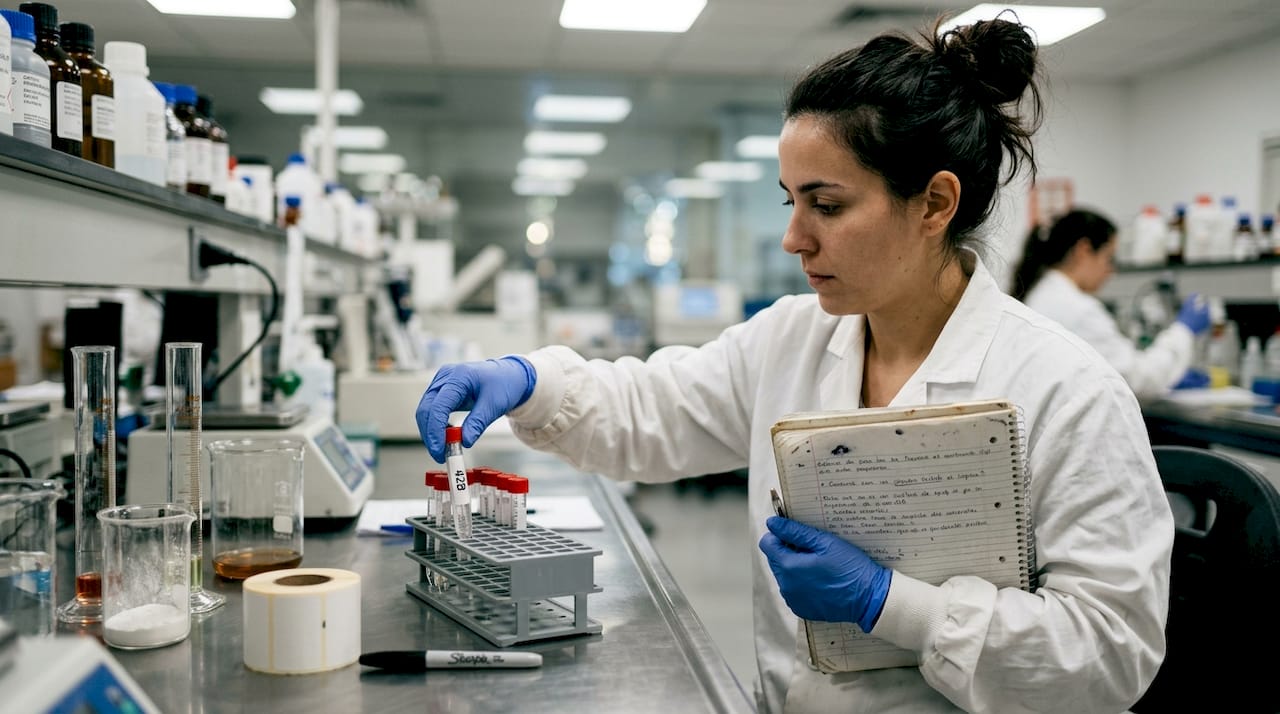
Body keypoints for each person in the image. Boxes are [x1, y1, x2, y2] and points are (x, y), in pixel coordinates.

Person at [416, 18, 1172, 714]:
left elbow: (1110, 654)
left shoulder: (1066, 390)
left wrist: (894, 606)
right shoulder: (794, 337)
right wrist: (531, 379)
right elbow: (656, 409)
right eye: (789, 202)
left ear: (936, 203)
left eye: (828, 205)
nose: (795, 239)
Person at [1011, 208, 1212, 399]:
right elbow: (1139, 379)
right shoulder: (1078, 309)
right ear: (1084, 250)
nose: (1111, 271)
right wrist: (1184, 329)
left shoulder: (1043, 293)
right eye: (1109, 258)